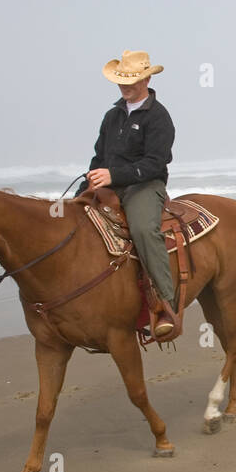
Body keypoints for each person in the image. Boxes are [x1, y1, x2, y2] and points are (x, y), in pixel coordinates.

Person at [76, 50, 180, 338]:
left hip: (145, 185)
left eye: (131, 80)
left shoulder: (159, 117)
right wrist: (86, 186)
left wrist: (114, 175)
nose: (125, 85)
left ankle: (164, 304)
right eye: (121, 80)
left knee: (145, 230)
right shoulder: (112, 116)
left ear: (146, 78)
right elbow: (99, 157)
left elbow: (155, 162)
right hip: (110, 184)